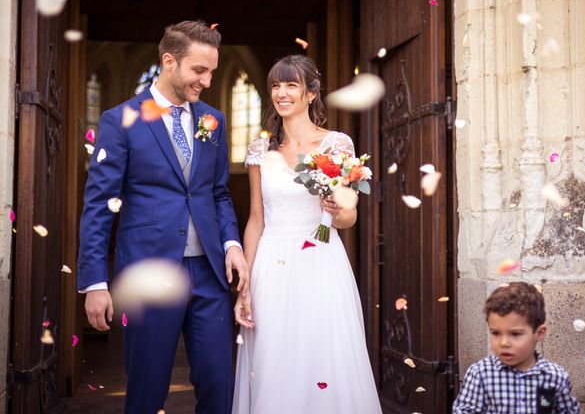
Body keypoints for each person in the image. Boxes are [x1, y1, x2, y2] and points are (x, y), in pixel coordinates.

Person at [77, 20, 249, 414]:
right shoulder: (120, 120)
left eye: (212, 72)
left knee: (219, 382)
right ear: (168, 62)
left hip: (209, 273)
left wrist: (232, 243)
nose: (206, 81)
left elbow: (218, 192)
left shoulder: (213, 121)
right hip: (148, 273)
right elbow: (100, 204)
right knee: (147, 387)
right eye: (199, 70)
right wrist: (94, 283)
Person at [231, 55, 382, 413]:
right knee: (273, 357)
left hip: (320, 258)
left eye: (291, 85)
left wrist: (338, 209)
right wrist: (246, 284)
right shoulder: (260, 149)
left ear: (311, 93)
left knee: (322, 354)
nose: (281, 93)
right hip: (272, 263)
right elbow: (255, 219)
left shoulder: (337, 146)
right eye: (276, 85)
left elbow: (349, 218)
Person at [452, 282, 580, 413]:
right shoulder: (480, 374)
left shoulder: (555, 376)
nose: (504, 343)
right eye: (496, 333)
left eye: (515, 334)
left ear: (539, 333)